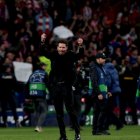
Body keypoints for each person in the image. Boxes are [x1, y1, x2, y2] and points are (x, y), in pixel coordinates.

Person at [40, 33, 81, 140]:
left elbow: (79, 55)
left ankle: (77, 134)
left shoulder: (70, 55)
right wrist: (43, 41)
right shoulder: (54, 55)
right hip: (56, 88)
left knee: (71, 111)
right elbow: (43, 52)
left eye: (63, 47)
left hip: (67, 87)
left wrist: (80, 45)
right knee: (59, 114)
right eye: (60, 47)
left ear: (66, 48)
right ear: (57, 47)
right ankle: (63, 136)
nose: (62, 49)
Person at [89, 52, 110, 135]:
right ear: (98, 59)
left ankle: (95, 130)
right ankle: (100, 128)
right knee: (103, 110)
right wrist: (99, 93)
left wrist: (107, 91)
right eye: (103, 58)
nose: (104, 60)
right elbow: (94, 82)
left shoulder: (100, 67)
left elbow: (103, 82)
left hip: (101, 93)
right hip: (97, 93)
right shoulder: (94, 67)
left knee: (97, 111)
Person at [24, 62, 49, 132]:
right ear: (42, 66)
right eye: (45, 66)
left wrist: (27, 96)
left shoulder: (32, 74)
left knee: (37, 110)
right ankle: (38, 126)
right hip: (40, 94)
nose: (46, 67)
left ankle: (37, 126)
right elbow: (49, 84)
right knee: (44, 110)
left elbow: (26, 86)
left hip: (32, 94)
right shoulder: (44, 73)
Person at [103, 59, 123, 130]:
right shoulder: (114, 69)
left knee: (107, 109)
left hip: (111, 91)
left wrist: (107, 90)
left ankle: (118, 123)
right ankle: (106, 125)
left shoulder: (105, 68)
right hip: (116, 90)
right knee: (108, 109)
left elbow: (108, 81)